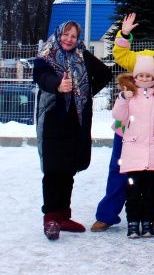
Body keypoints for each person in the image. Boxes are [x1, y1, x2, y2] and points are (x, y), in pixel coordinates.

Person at [91, 14, 154, 232]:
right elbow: (122, 55)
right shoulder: (147, 58)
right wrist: (124, 34)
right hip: (129, 129)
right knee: (119, 170)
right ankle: (107, 214)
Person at [34, 21, 113, 240]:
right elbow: (42, 77)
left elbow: (105, 74)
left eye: (73, 36)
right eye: (65, 35)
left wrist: (83, 93)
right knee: (52, 170)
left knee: (68, 170)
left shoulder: (82, 55)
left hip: (76, 121)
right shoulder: (45, 56)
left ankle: (63, 216)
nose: (69, 39)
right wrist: (58, 86)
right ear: (58, 34)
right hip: (53, 119)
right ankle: (50, 217)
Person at [112, 56, 154, 238]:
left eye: (149, 76)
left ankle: (147, 223)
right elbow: (118, 116)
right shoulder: (129, 95)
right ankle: (133, 223)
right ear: (135, 77)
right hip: (133, 152)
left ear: (153, 78)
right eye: (141, 76)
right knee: (132, 191)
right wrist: (123, 98)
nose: (145, 79)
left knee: (150, 192)